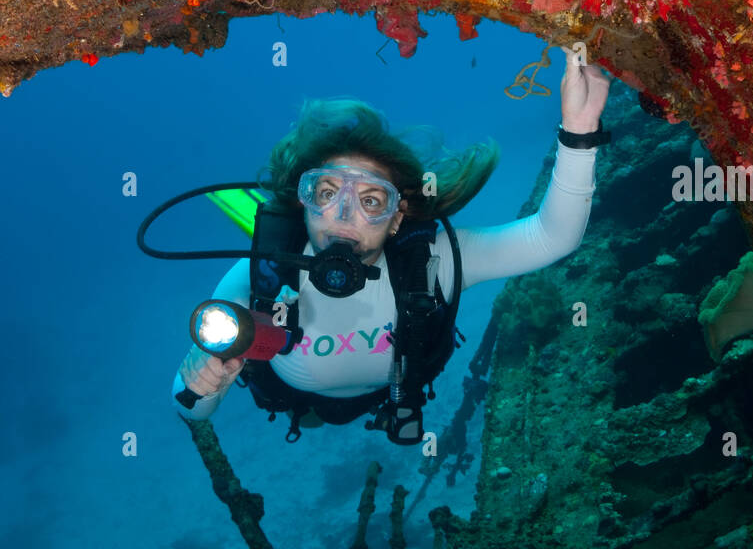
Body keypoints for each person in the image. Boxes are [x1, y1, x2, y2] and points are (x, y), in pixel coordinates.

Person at [173, 54, 610, 442]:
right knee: (308, 416)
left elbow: (552, 237)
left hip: (391, 393)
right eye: (325, 193)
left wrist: (579, 129)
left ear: (397, 217)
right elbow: (187, 410)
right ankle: (311, 415)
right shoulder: (257, 275)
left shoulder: (431, 264)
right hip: (296, 398)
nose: (343, 216)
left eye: (370, 200)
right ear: (302, 202)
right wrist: (203, 381)